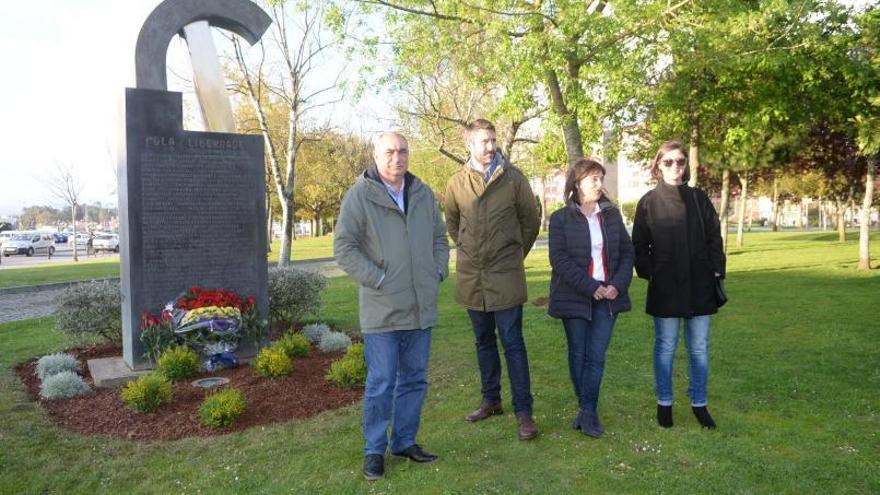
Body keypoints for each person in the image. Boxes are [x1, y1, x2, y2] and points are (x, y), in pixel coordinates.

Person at [334, 131, 450, 481]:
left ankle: (404, 441)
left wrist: (437, 271)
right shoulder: (360, 196)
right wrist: (379, 278)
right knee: (382, 382)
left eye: (402, 151)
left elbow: (439, 239)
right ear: (376, 154)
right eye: (389, 152)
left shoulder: (422, 192)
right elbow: (345, 248)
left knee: (414, 379)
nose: (397, 157)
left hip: (419, 308)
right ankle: (374, 450)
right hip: (382, 309)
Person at [444, 119, 541, 440]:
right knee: (483, 342)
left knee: (513, 344)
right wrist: (473, 251)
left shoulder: (513, 179)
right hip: (473, 278)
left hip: (506, 276)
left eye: (493, 140)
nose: (490, 147)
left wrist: (513, 254)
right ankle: (491, 400)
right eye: (483, 141)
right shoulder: (456, 183)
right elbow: (454, 225)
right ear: (469, 145)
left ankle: (524, 411)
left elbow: (531, 221)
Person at [632, 141, 726, 429]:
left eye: (681, 161)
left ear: (687, 165)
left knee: (698, 348)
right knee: (666, 347)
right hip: (666, 288)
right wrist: (654, 274)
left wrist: (716, 273)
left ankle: (699, 403)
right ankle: (665, 403)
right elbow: (639, 245)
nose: (676, 167)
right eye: (669, 162)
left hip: (700, 286)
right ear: (658, 165)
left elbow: (714, 239)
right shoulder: (648, 202)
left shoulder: (698, 198)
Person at [547, 158, 634, 437]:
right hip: (575, 295)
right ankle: (588, 411)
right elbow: (558, 259)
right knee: (578, 353)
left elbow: (626, 253)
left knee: (596, 355)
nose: (599, 184)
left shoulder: (611, 215)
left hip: (608, 296)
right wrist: (590, 286)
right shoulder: (561, 218)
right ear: (577, 182)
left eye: (601, 178)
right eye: (593, 178)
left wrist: (616, 285)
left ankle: (587, 412)